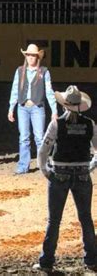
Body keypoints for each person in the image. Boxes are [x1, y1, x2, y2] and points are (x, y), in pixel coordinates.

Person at [33, 86, 97, 272]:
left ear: (65, 105)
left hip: (60, 173)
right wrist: (90, 166)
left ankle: (47, 261)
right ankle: (91, 259)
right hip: (82, 174)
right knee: (85, 218)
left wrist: (46, 171)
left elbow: (43, 150)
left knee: (54, 220)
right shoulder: (90, 124)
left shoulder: (57, 124)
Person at [8, 44, 57, 174]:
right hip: (22, 107)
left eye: (33, 55)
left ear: (37, 57)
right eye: (28, 55)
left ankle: (43, 166)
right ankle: (23, 166)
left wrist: (54, 110)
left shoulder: (44, 72)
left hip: (37, 107)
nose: (30, 57)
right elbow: (14, 89)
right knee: (23, 137)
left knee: (39, 137)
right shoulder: (20, 71)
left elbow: (49, 92)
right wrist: (11, 107)